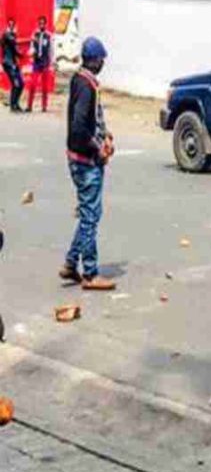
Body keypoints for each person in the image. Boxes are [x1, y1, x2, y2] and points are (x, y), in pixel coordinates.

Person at [60, 37, 116, 291]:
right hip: (85, 161)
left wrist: (106, 135)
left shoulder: (82, 80)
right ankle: (90, 272)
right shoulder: (86, 86)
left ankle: (71, 263)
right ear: (94, 60)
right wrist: (98, 148)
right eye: (101, 59)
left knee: (87, 213)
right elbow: (81, 126)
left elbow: (93, 119)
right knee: (91, 215)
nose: (103, 62)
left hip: (79, 157)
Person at [27, 16, 53, 113]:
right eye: (40, 23)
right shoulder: (34, 34)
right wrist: (30, 54)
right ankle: (29, 106)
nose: (41, 25)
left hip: (45, 62)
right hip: (36, 62)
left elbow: (51, 50)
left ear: (45, 24)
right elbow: (31, 47)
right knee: (32, 84)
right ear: (38, 24)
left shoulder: (49, 35)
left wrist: (51, 63)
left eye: (43, 23)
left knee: (45, 86)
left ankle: (44, 106)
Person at [2, 19, 23, 113]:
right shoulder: (5, 34)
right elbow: (13, 42)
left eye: (13, 25)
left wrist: (22, 54)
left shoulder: (13, 36)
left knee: (21, 84)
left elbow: (16, 51)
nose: (11, 26)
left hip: (14, 64)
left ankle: (16, 104)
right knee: (15, 84)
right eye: (9, 25)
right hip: (8, 63)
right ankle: (12, 106)